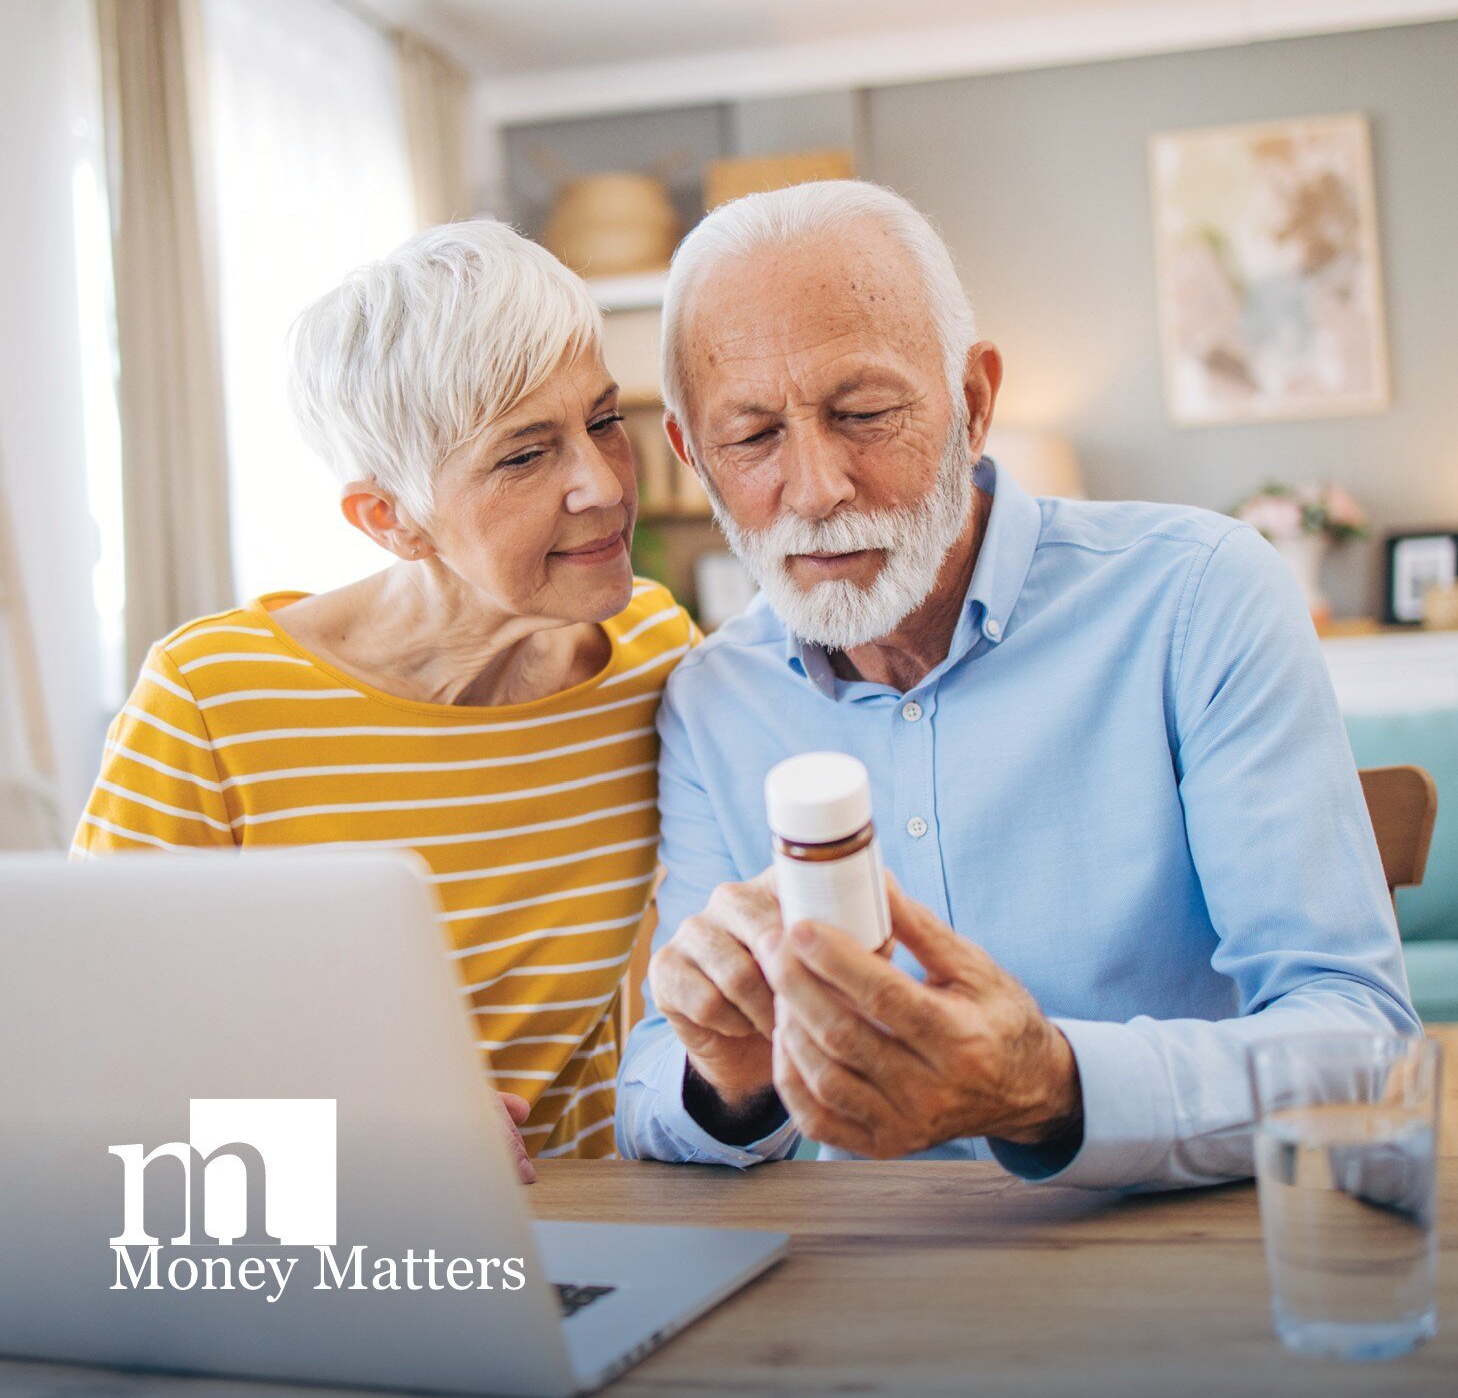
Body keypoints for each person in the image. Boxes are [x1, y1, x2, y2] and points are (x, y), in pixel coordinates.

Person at [615, 180, 1418, 1189]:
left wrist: (1055, 1085)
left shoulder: (1199, 596)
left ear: (975, 403)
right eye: (751, 438)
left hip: (1179, 1250)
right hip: (865, 1288)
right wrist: (729, 1082)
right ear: (693, 455)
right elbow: (652, 1080)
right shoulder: (711, 700)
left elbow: (1361, 1044)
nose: (816, 489)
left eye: (864, 413)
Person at [75, 221, 697, 1178]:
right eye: (526, 456)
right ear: (390, 519)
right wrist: (353, 1124)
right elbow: (94, 1048)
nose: (605, 484)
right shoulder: (210, 702)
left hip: (602, 1236)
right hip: (317, 1241)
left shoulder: (654, 652)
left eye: (602, 420)